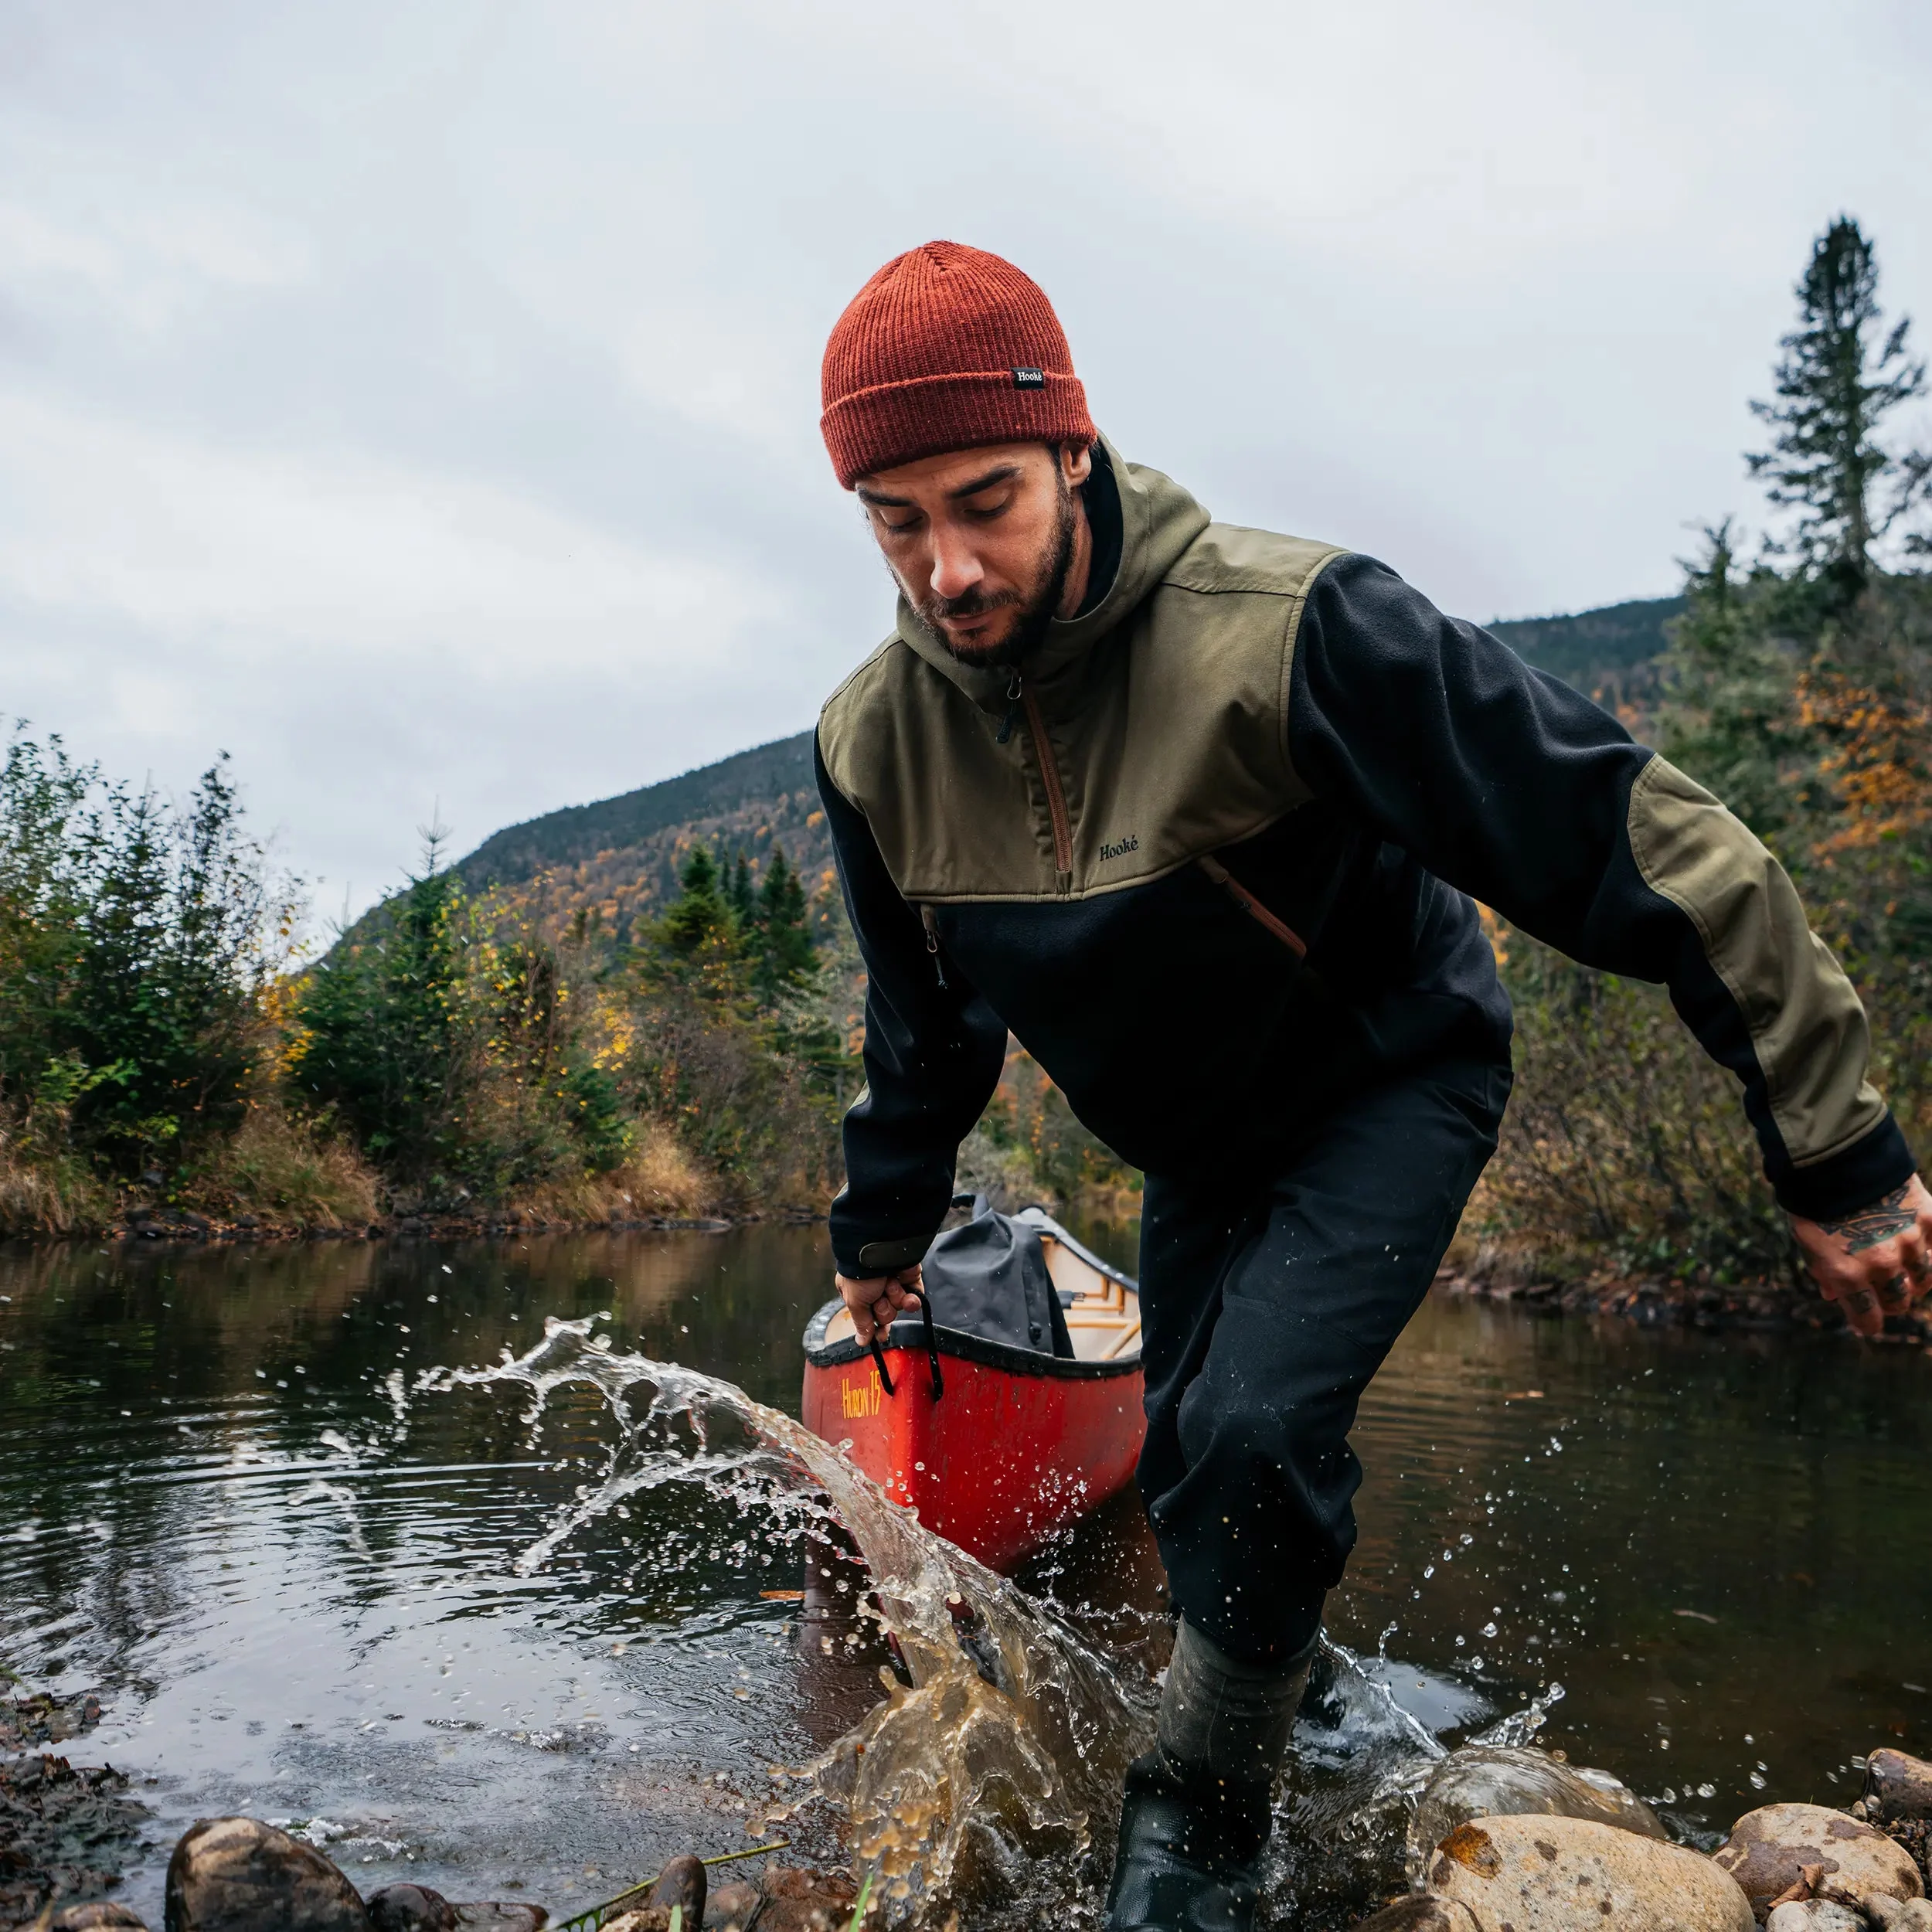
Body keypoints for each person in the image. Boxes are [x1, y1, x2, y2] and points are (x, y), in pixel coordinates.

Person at [810, 240, 1930, 1932]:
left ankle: (1197, 1805)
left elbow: (1643, 841)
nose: (949, 566)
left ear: (1074, 451)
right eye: (897, 521)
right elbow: (922, 1023)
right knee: (1192, 1471)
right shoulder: (870, 743)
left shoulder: (1292, 629)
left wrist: (1837, 1150)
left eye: (984, 500)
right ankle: (1307, 1673)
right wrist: (882, 1227)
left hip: (1386, 1075)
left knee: (1252, 1431)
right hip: (1191, 1143)